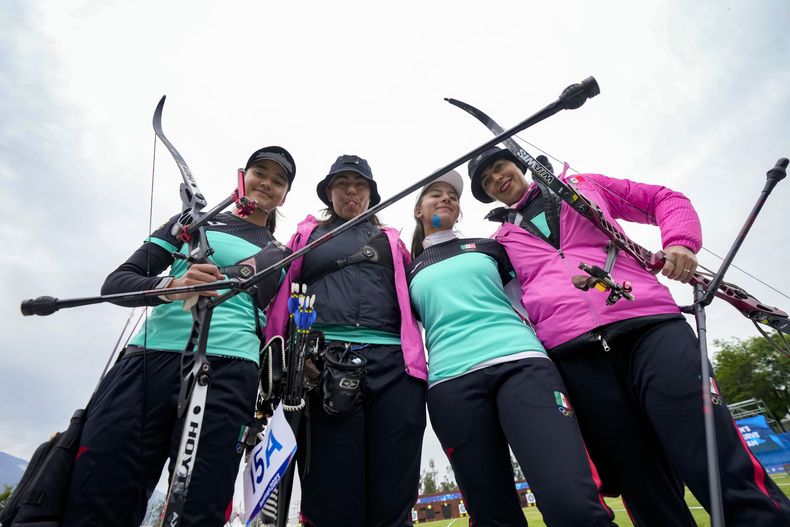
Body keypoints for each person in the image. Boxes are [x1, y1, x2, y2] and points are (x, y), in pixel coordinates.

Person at [468, 146, 790, 526]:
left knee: (709, 452)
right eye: (486, 181)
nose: (496, 179)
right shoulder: (500, 241)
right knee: (640, 482)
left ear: (518, 163)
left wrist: (680, 242)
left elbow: (663, 199)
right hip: (576, 357)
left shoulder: (585, 186)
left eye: (498, 167)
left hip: (649, 326)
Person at [63, 146, 297, 526]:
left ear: (285, 196)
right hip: (147, 360)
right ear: (243, 175)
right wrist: (171, 284)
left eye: (279, 180)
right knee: (100, 490)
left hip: (229, 368)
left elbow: (270, 311)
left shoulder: (280, 251)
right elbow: (116, 283)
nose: (267, 183)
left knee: (198, 506)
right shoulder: (187, 224)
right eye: (260, 172)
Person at [407, 170, 616, 526]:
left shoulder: (492, 247)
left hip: (522, 364)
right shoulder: (407, 270)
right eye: (435, 195)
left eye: (452, 197)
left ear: (459, 212)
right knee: (493, 517)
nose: (446, 200)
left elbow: (535, 294)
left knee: (573, 505)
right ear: (418, 211)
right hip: (451, 385)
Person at [265, 154, 427, 527]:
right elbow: (282, 296)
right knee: (332, 496)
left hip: (395, 369)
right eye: (342, 184)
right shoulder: (307, 237)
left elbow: (420, 297)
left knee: (395, 495)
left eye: (360, 184)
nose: (351, 190)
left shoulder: (393, 242)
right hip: (323, 366)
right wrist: (282, 357)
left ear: (371, 194)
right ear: (329, 193)